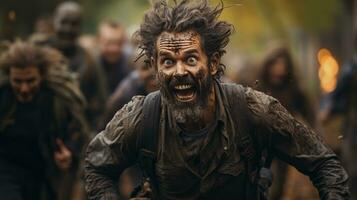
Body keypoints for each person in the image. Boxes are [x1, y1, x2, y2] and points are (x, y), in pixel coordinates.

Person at [84, 1, 349, 199]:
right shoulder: (141, 117)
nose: (179, 72)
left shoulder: (253, 110)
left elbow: (325, 165)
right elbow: (96, 168)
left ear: (212, 63)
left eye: (190, 59)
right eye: (167, 62)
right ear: (154, 66)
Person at [0, 41, 88, 200]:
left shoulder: (55, 99)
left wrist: (69, 152)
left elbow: (76, 131)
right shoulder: (3, 96)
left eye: (30, 80)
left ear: (41, 76)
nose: (24, 88)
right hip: (5, 170)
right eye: (17, 81)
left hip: (41, 173)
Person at [257, 45, 317, 199]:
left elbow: (310, 115)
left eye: (282, 64)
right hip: (260, 144)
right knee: (260, 183)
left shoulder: (293, 89)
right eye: (275, 63)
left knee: (279, 188)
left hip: (284, 144)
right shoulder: (259, 87)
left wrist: (316, 140)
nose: (278, 69)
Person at [36, 1, 107, 131]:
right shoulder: (36, 54)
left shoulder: (90, 62)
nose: (68, 29)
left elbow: (99, 107)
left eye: (74, 24)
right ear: (54, 22)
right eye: (64, 22)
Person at [320, 34, 357, 200]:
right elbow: (336, 97)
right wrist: (328, 110)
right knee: (353, 171)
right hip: (353, 130)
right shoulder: (350, 72)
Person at [95, 20, 132, 97]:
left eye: (118, 43)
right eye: (109, 43)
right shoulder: (91, 63)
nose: (114, 49)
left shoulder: (130, 63)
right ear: (99, 41)